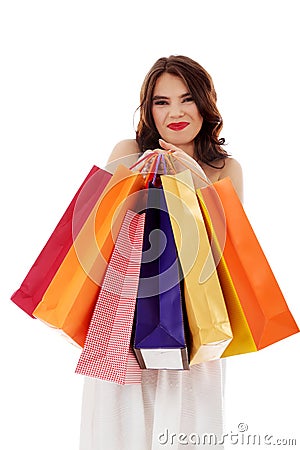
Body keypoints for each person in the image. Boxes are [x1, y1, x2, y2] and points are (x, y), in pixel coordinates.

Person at [79, 55, 243, 450]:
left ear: (206, 104)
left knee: (188, 426)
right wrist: (139, 173)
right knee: (120, 426)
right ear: (148, 109)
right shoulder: (129, 148)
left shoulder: (224, 168)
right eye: (161, 101)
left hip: (193, 321)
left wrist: (194, 177)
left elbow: (228, 253)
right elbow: (98, 231)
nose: (176, 112)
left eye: (187, 99)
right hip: (124, 317)